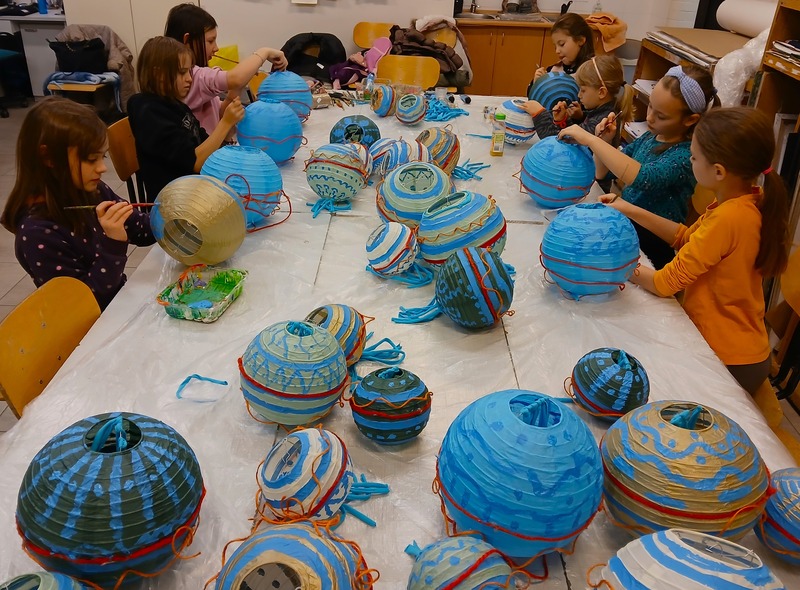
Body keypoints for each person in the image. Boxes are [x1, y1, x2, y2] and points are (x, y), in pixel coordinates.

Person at [600, 107, 789, 395]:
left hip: (728, 358)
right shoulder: (743, 200)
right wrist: (628, 208)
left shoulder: (729, 218)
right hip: (741, 350)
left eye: (694, 157)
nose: (690, 160)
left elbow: (664, 283)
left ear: (718, 171)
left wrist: (614, 262)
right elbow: (686, 237)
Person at [558, 65, 719, 269]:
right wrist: (604, 142)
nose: (650, 117)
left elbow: (642, 177)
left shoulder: (685, 155)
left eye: (661, 116)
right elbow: (603, 172)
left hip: (652, 248)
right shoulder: (651, 137)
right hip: (627, 230)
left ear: (690, 119)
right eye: (650, 106)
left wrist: (592, 140)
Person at [0, 97, 155, 311]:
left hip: (118, 304)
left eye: (102, 157)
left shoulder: (92, 190)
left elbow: (142, 231)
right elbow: (85, 303)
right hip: (94, 322)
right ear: (48, 157)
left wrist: (174, 217)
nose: (102, 168)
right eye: (91, 159)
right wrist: (114, 244)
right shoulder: (37, 234)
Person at [127, 36, 245, 200]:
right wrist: (225, 123)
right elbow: (195, 163)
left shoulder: (174, 104)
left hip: (194, 191)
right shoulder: (148, 111)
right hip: (176, 204)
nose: (189, 78)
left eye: (189, 71)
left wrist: (227, 133)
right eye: (182, 72)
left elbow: (204, 143)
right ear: (158, 74)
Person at [164, 3, 287, 133]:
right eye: (210, 41)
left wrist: (237, 86)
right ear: (187, 40)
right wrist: (264, 52)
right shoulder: (191, 76)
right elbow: (236, 78)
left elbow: (221, 114)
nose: (216, 48)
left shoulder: (195, 76)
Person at [523, 54, 633, 143]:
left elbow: (560, 143)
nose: (579, 95)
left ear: (601, 92)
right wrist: (566, 120)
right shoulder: (603, 112)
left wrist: (539, 114)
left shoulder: (602, 123)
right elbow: (574, 136)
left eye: (583, 90)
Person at [529, 13, 595, 88]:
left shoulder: (594, 72)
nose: (557, 51)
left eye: (562, 44)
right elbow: (533, 93)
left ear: (580, 40)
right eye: (555, 46)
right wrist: (537, 83)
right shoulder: (553, 70)